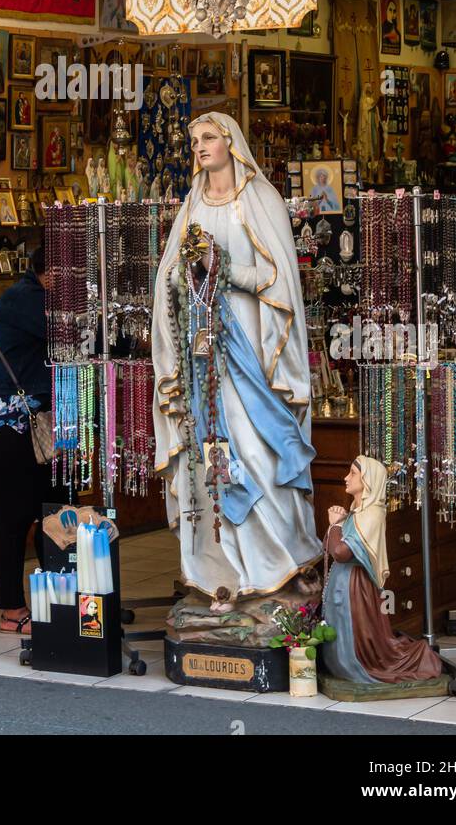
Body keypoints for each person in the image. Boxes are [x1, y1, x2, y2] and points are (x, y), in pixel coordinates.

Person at [152, 113, 321, 602]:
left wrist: (221, 269)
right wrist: (189, 276)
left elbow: (280, 281)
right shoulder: (192, 204)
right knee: (214, 456)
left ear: (231, 143)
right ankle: (224, 573)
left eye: (208, 138)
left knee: (255, 450)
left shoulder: (261, 200)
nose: (199, 147)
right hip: (206, 354)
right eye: (193, 141)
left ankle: (276, 566)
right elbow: (170, 276)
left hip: (254, 352)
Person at [0, 245, 61, 635]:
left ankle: (59, 598)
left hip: (33, 426)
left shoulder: (39, 299)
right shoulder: (26, 300)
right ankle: (11, 609)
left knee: (51, 512)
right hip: (5, 426)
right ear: (49, 273)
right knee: (13, 515)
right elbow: (71, 332)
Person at [321, 456, 442, 685]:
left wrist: (335, 524)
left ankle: (364, 664)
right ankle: (342, 665)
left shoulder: (371, 514)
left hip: (356, 588)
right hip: (343, 583)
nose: (346, 478)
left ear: (368, 480)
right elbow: (331, 547)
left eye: (353, 473)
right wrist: (339, 523)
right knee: (341, 635)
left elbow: (340, 552)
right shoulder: (355, 514)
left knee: (357, 635)